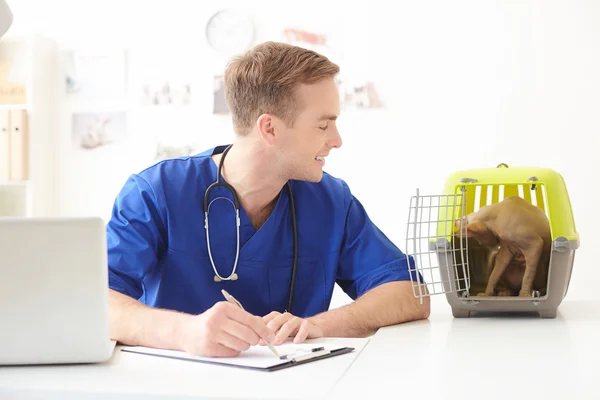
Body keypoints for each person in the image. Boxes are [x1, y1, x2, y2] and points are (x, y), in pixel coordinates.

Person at [107, 41, 430, 358]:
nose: (337, 140)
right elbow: (97, 302)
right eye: (323, 124)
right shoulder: (156, 193)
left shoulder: (330, 201)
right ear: (270, 129)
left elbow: (409, 292)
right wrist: (186, 332)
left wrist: (318, 325)